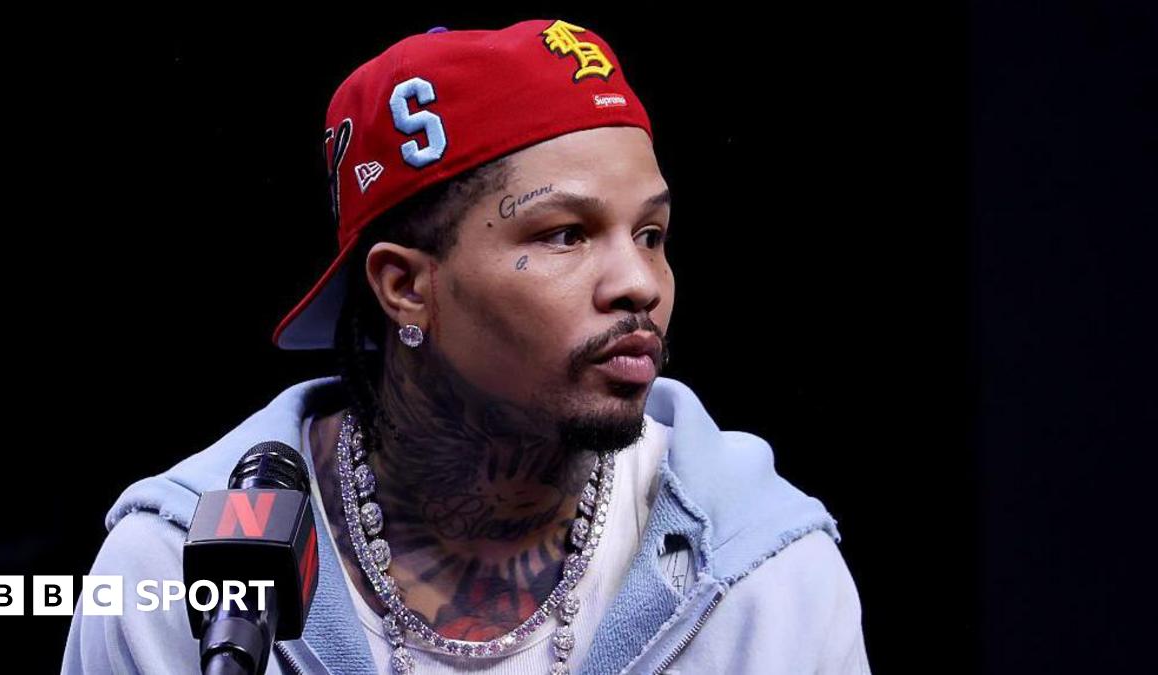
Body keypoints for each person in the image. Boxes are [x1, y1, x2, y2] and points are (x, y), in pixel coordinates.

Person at [62, 18, 870, 674]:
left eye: (651, 234)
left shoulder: (763, 573)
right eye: (565, 233)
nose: (641, 284)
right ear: (405, 287)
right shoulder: (171, 571)